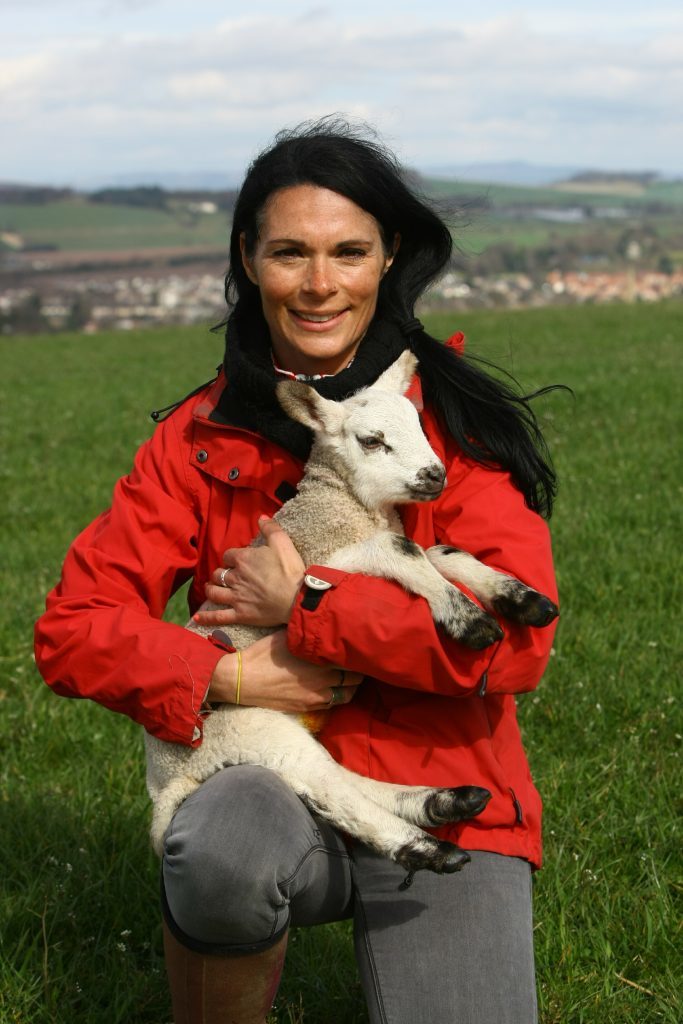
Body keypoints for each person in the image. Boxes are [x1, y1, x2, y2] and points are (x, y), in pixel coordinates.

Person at [34, 119, 559, 1024]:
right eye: (289, 252)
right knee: (221, 846)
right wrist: (225, 673)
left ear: (388, 258)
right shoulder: (196, 439)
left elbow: (513, 648)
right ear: (248, 261)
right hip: (265, 782)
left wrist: (309, 608)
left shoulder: (451, 432)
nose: (320, 284)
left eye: (348, 252)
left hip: (448, 782)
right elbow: (73, 628)